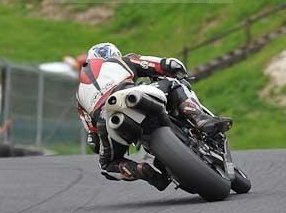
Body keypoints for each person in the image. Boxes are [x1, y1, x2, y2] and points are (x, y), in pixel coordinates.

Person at [76, 42, 231, 190]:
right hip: (131, 95)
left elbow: (93, 137)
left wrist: (101, 140)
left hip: (106, 120)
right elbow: (156, 64)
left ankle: (142, 170)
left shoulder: (79, 95)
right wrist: (173, 67)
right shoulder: (121, 61)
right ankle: (199, 118)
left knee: (108, 164)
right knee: (172, 83)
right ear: (113, 54)